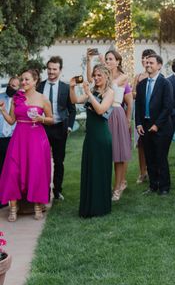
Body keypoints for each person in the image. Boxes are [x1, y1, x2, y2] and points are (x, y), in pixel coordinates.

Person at [0, 70, 53, 221]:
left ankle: (37, 207)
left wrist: (42, 118)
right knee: (13, 171)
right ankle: (13, 208)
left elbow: (52, 119)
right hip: (19, 138)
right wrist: (3, 110)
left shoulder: (43, 99)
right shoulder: (17, 98)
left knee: (36, 171)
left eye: (27, 79)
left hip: (36, 138)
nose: (23, 82)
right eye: (22, 79)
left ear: (35, 80)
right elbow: (11, 120)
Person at [87, 49, 132, 201]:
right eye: (106, 58)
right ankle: (104, 185)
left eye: (111, 59)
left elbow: (111, 84)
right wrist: (90, 62)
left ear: (118, 61)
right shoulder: (101, 75)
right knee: (105, 152)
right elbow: (91, 80)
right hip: (103, 114)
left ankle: (118, 187)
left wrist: (128, 119)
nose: (108, 61)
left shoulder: (123, 76)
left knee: (118, 154)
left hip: (116, 113)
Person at [70, 65, 115, 218]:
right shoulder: (93, 91)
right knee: (90, 170)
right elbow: (75, 100)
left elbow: (101, 110)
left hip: (102, 137)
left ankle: (101, 207)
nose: (96, 78)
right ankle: (88, 206)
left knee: (100, 170)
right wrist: (72, 88)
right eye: (95, 75)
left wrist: (89, 94)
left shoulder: (110, 92)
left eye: (99, 75)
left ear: (106, 76)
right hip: (90, 137)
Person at [37, 56, 76, 201]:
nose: (51, 72)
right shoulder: (39, 86)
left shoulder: (66, 88)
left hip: (60, 129)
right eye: (49, 69)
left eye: (54, 69)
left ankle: (57, 190)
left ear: (60, 70)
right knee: (42, 161)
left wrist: (70, 127)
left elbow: (72, 110)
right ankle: (44, 191)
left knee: (59, 161)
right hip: (43, 128)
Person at [135, 54, 174, 196]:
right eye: (146, 63)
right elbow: (138, 106)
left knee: (160, 157)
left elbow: (168, 107)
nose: (148, 65)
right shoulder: (141, 84)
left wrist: (157, 125)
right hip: (144, 126)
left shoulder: (165, 83)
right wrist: (138, 123)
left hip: (162, 127)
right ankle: (153, 185)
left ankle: (164, 187)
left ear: (159, 65)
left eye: (151, 63)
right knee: (149, 157)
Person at [132, 48, 157, 183]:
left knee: (154, 144)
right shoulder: (138, 77)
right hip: (141, 113)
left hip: (153, 116)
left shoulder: (159, 77)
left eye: (148, 58)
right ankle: (143, 172)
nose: (145, 60)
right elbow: (133, 94)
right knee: (141, 144)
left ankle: (154, 170)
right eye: (144, 57)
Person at [0, 77, 19, 175]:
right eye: (9, 84)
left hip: (13, 138)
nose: (9, 87)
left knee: (11, 167)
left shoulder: (20, 101)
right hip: (0, 137)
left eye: (13, 86)